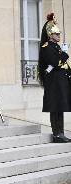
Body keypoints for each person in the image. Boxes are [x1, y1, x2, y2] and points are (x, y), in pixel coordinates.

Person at [38, 13, 71, 143]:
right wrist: (64, 54)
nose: (59, 36)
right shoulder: (46, 48)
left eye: (59, 34)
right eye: (56, 34)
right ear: (50, 35)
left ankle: (61, 132)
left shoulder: (56, 47)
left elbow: (64, 65)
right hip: (53, 81)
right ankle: (56, 134)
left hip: (60, 81)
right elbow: (56, 63)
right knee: (55, 107)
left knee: (61, 107)